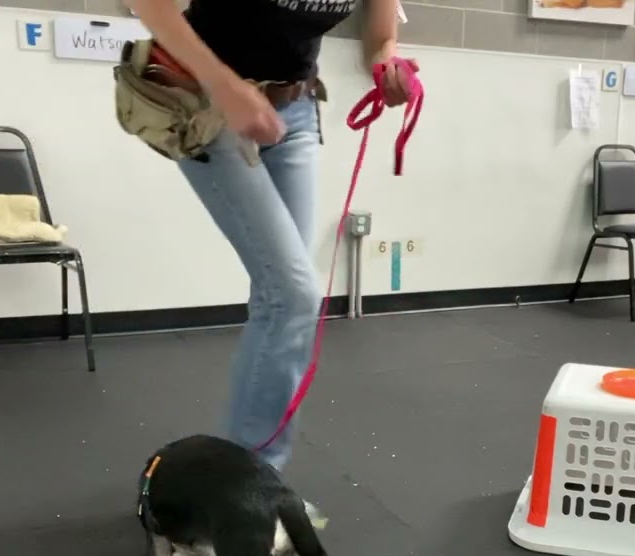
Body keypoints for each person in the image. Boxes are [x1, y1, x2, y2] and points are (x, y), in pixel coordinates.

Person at [126, 0, 417, 476]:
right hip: (203, 100)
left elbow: (381, 34)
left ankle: (256, 481)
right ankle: (248, 485)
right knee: (293, 296)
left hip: (293, 110)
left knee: (283, 298)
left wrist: (387, 62)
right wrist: (224, 85)